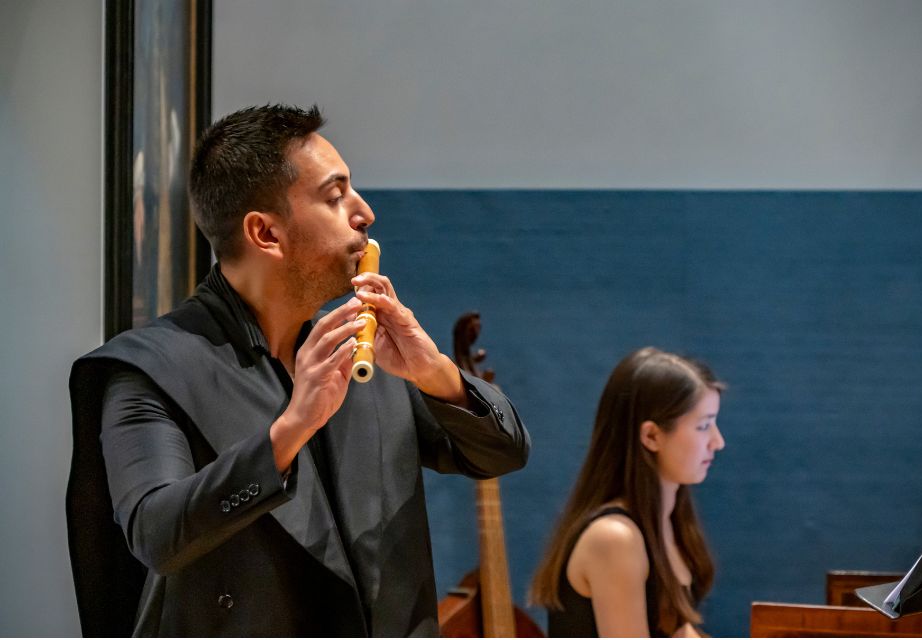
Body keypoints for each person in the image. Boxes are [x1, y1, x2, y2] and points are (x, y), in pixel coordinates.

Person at [66, 104, 530, 637]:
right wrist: (292, 428)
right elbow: (157, 533)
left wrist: (436, 373)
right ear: (266, 234)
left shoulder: (367, 347)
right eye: (335, 197)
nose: (365, 212)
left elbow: (502, 452)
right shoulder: (149, 369)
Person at [529, 348, 725, 637]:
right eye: (704, 426)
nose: (717, 442)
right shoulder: (615, 538)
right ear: (651, 436)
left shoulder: (667, 521)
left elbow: (680, 632)